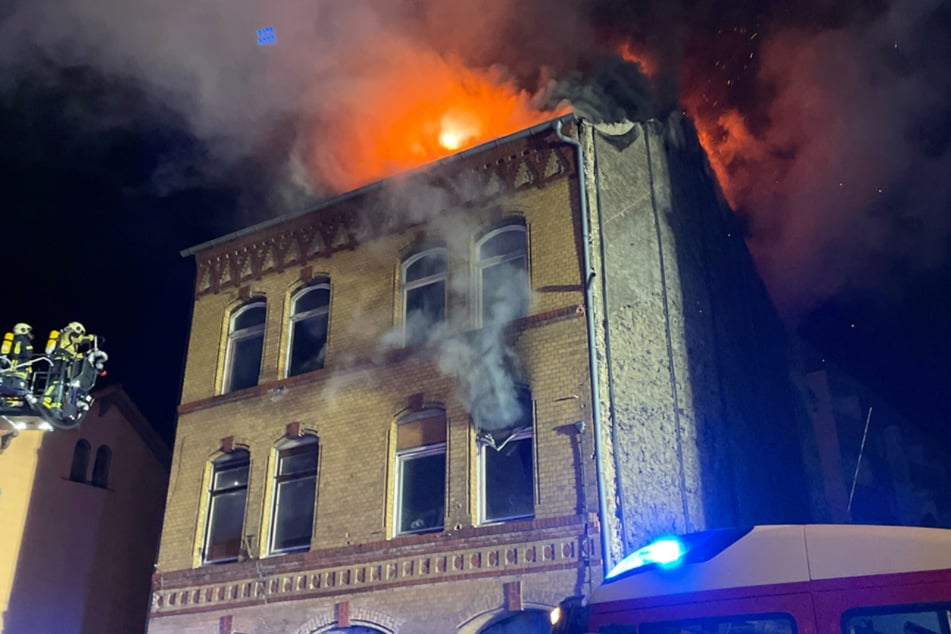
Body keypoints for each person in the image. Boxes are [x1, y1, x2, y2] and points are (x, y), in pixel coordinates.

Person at [42, 321, 95, 411]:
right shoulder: (69, 333)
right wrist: (91, 337)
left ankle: (56, 404)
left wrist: (85, 354)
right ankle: (45, 400)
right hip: (61, 359)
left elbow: (73, 355)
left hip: (67, 361)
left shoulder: (71, 343)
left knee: (63, 383)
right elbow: (80, 339)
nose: (80, 334)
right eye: (81, 332)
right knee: (57, 381)